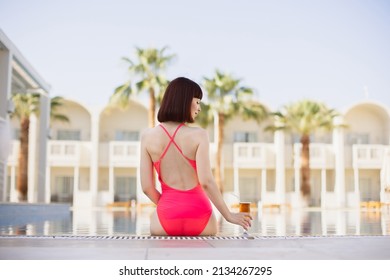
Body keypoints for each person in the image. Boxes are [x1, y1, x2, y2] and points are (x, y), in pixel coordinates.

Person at [140, 76, 252, 236]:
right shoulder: (199, 135)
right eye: (197, 102)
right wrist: (228, 215)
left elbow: (146, 187)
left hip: (165, 219)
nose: (199, 108)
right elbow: (206, 181)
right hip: (201, 216)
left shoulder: (147, 136)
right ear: (185, 101)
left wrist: (170, 206)